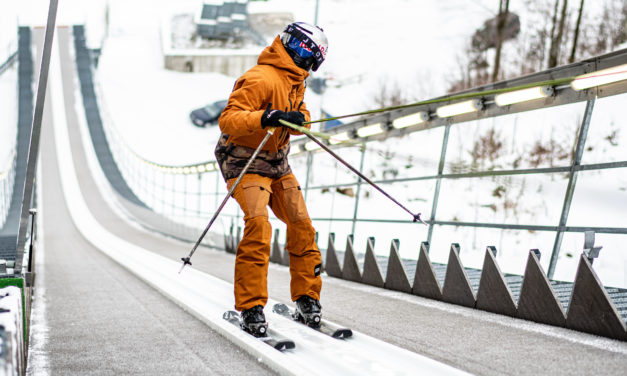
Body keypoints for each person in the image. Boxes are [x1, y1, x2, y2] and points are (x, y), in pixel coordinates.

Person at [215, 22, 328, 337]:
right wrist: (266, 117)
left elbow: (296, 112)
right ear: (290, 44)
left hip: (277, 162)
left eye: (313, 55)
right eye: (304, 49)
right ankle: (251, 306)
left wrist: (298, 120)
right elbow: (229, 119)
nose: (306, 58)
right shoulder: (260, 77)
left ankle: (307, 298)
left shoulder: (296, 80)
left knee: (302, 225)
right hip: (245, 161)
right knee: (259, 224)